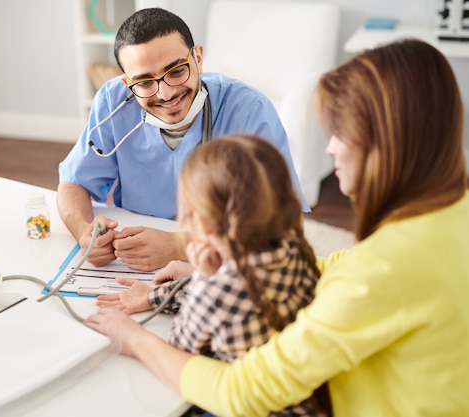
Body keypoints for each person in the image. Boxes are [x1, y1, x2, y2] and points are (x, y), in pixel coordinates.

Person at [84, 38, 469, 417]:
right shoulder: (450, 214)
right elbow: (344, 268)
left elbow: (243, 392)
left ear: (388, 142)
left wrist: (134, 339)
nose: (330, 148)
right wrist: (228, 273)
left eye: (340, 134)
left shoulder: (386, 271)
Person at [57, 8, 309, 272]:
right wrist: (84, 233)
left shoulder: (249, 111)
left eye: (176, 71)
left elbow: (287, 225)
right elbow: (73, 183)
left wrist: (180, 246)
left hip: (222, 263)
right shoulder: (113, 102)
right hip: (133, 262)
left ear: (198, 58)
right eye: (144, 82)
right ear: (127, 82)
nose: (165, 93)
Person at [95, 134, 328, 416]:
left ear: (202, 224)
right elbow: (230, 293)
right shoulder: (290, 243)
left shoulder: (217, 289)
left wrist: (129, 334)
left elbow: (181, 354)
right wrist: (157, 295)